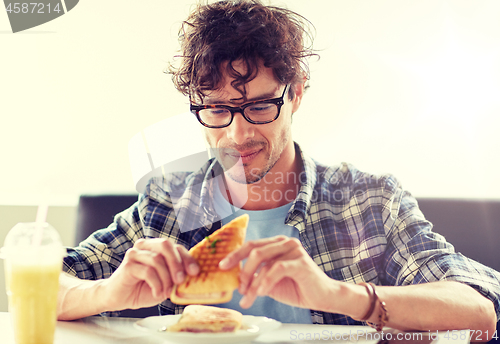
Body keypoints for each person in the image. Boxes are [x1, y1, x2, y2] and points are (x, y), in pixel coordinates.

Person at [57, 0, 500, 340]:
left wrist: (337, 295)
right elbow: (46, 282)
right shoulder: (166, 205)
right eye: (216, 110)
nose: (236, 134)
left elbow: (478, 310)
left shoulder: (369, 200)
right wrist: (106, 292)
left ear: (296, 94)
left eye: (259, 106)